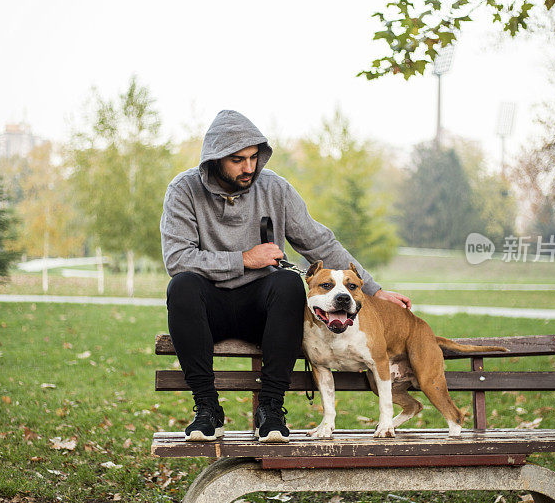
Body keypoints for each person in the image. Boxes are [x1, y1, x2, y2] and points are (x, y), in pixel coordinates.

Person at [160, 110, 411, 442]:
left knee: (289, 283)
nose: (249, 167)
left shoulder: (274, 188)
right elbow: (178, 258)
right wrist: (244, 259)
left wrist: (376, 291)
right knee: (182, 286)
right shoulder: (184, 190)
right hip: (210, 307)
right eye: (237, 160)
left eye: (253, 157)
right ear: (214, 159)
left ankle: (271, 409)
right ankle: (207, 409)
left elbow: (320, 243)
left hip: (264, 310)